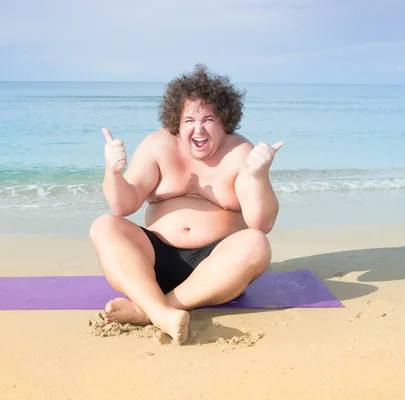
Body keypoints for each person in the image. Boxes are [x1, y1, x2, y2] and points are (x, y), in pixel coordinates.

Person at [90, 65, 283, 344]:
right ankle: (160, 310)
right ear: (176, 122)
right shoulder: (158, 145)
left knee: (256, 244)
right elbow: (123, 205)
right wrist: (113, 172)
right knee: (104, 226)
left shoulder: (240, 153)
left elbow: (261, 223)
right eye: (189, 119)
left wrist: (258, 175)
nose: (199, 128)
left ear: (224, 122)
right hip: (153, 262)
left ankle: (150, 311)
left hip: (216, 270)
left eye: (209, 119)